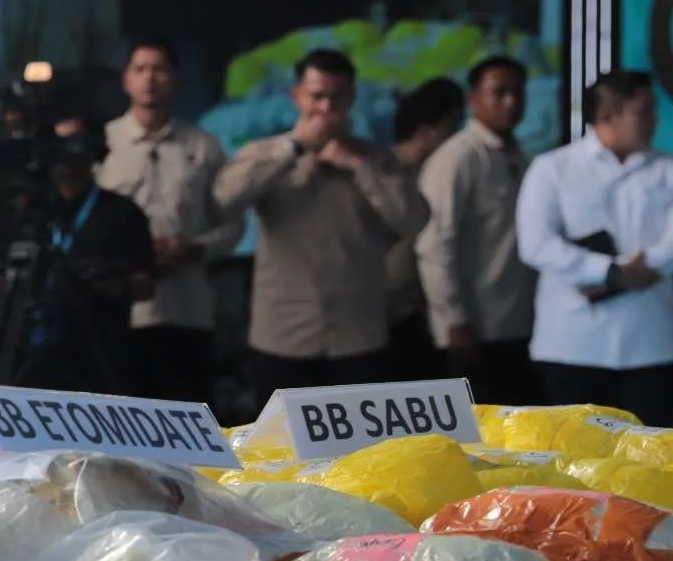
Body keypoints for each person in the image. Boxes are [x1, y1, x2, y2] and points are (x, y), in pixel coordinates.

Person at [215, 49, 429, 405]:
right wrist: (294, 148)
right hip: (284, 335)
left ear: (351, 99)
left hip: (359, 335)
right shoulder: (265, 152)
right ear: (296, 96)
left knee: (360, 454)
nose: (327, 109)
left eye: (337, 97)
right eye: (316, 97)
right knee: (282, 451)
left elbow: (413, 219)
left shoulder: (375, 157)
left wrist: (359, 168)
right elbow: (225, 201)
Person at [517, 71, 673, 424]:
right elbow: (535, 243)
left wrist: (649, 266)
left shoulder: (667, 170)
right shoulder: (553, 168)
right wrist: (607, 271)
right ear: (607, 116)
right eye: (644, 111)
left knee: (653, 457)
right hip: (572, 342)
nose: (654, 120)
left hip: (653, 338)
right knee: (574, 460)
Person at [99, 40, 239, 403]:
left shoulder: (203, 145)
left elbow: (233, 225)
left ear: (175, 80)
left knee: (187, 418)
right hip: (119, 315)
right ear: (125, 80)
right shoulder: (103, 143)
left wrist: (196, 248)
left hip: (187, 312)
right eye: (140, 69)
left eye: (160, 69)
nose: (150, 79)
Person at [0, 115, 157, 393]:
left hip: (98, 352)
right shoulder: (29, 214)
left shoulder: (121, 212)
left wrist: (113, 282)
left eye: (73, 141)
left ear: (94, 148)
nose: (64, 150)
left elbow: (146, 284)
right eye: (56, 141)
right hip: (29, 352)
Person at [417, 55, 539, 402]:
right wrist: (452, 320)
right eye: (498, 92)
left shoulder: (520, 156)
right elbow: (434, 245)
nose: (511, 101)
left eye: (518, 92)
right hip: (472, 333)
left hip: (519, 326)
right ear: (473, 100)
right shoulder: (457, 158)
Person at [383, 79, 466, 382]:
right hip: (384, 321)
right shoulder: (383, 175)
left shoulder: (433, 175)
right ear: (427, 131)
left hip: (419, 315)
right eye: (454, 127)